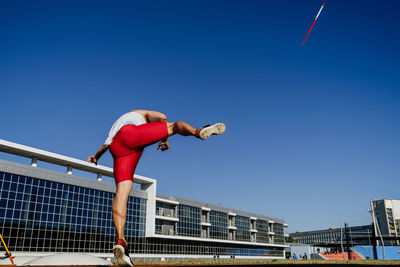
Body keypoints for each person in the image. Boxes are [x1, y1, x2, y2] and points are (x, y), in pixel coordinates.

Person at [88, 109, 225, 266]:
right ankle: (198, 131)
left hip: (117, 150)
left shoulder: (115, 126)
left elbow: (104, 146)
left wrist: (95, 157)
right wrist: (165, 140)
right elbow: (163, 118)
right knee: (174, 126)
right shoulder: (140, 114)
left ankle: (121, 241)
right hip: (130, 136)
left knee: (121, 193)